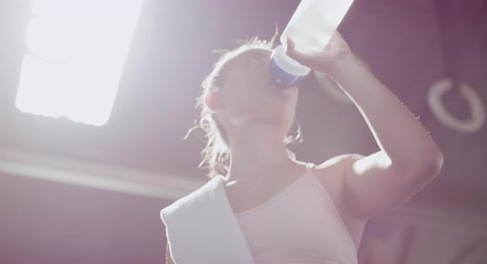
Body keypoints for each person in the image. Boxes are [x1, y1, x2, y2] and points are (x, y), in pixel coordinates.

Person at [162, 32, 444, 263]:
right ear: (215, 99)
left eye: (276, 63)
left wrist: (341, 65)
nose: (271, 68)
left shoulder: (336, 180)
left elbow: (418, 161)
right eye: (253, 61)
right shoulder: (188, 220)